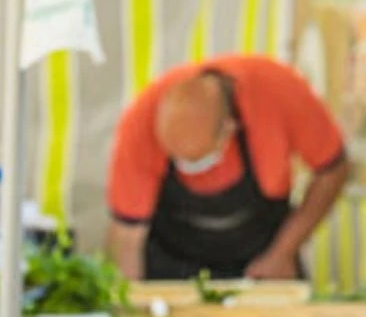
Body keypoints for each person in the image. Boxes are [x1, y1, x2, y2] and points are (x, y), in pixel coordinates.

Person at [104, 54, 351, 283]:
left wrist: (283, 251)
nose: (192, 171)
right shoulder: (139, 123)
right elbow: (127, 239)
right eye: (178, 160)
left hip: (261, 261)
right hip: (171, 264)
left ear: (228, 129)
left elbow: (333, 169)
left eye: (197, 160)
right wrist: (129, 313)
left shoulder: (277, 92)